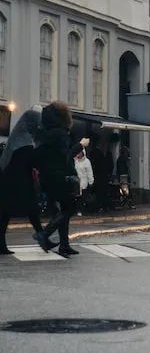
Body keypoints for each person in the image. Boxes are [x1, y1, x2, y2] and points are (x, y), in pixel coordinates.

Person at [0, 110, 52, 255]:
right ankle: (43, 239)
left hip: (8, 182)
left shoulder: (16, 139)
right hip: (20, 183)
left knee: (5, 214)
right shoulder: (25, 142)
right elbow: (31, 161)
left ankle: (2, 245)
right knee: (31, 211)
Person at [33, 102, 81, 257]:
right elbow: (66, 157)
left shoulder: (43, 134)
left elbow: (38, 157)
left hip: (46, 178)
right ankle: (45, 234)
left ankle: (64, 245)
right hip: (59, 177)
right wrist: (80, 146)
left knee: (61, 211)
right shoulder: (61, 134)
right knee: (70, 208)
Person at [74, 148, 95, 216]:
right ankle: (75, 210)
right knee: (76, 197)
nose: (78, 154)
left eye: (80, 153)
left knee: (82, 198)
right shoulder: (74, 161)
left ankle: (80, 210)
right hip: (75, 182)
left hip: (83, 182)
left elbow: (89, 172)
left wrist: (91, 181)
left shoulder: (87, 161)